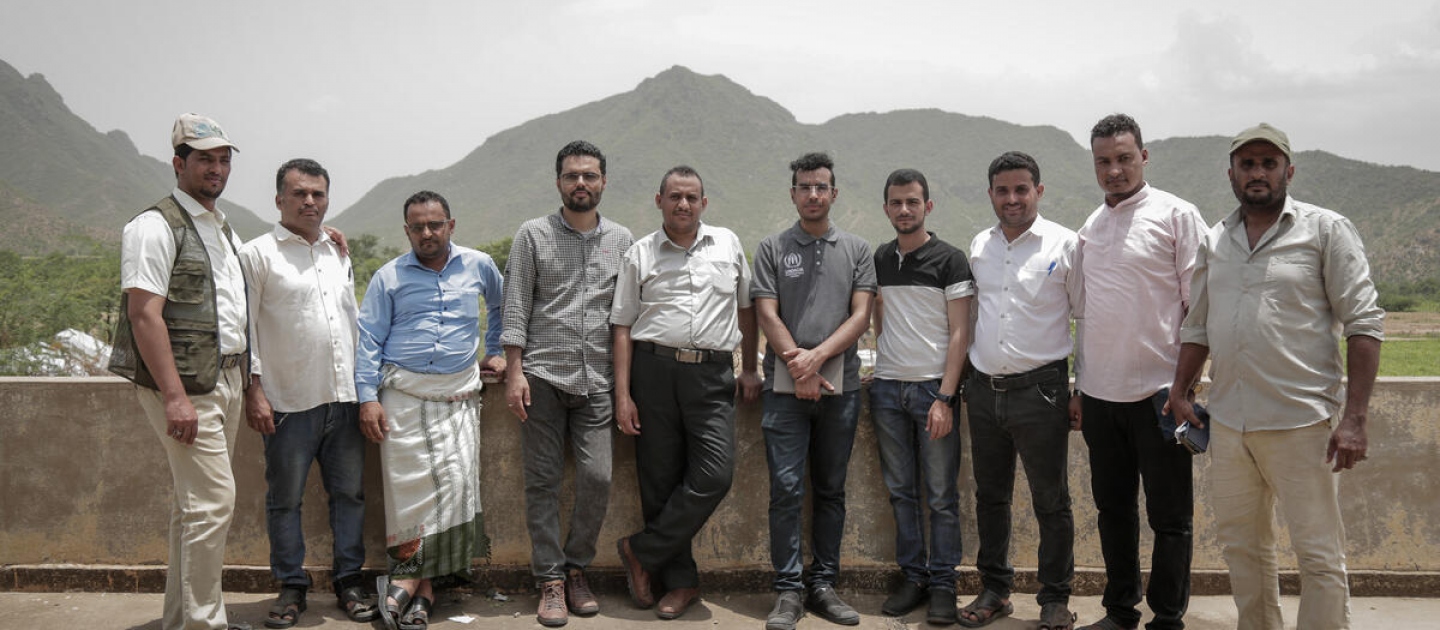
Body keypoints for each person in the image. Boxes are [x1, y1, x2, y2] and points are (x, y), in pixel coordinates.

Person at [1168, 123, 1384, 630]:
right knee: (1244, 548)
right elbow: (1197, 323)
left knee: (1318, 555)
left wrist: (1354, 419)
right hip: (1229, 422)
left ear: (1289, 170)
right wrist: (1180, 389)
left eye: (1268, 163)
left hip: (1301, 423)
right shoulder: (1216, 238)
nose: (1258, 173)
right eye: (1248, 164)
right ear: (1232, 174)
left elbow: (1365, 323)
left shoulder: (1325, 229)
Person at [109, 113, 252, 630]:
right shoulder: (154, 225)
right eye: (204, 159)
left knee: (193, 508)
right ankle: (203, 624)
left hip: (225, 380)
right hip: (188, 387)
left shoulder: (220, 227)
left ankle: (182, 620)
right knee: (213, 505)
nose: (216, 169)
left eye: (222, 159)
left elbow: (235, 307)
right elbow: (144, 313)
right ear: (179, 163)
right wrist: (174, 396)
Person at [611, 166, 763, 619]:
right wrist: (623, 394)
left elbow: (747, 310)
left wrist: (751, 367)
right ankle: (680, 584)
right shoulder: (639, 252)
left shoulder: (728, 244)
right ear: (658, 200)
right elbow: (621, 327)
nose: (683, 204)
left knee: (715, 475)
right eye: (675, 196)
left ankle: (640, 550)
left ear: (704, 203)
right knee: (658, 482)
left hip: (712, 375)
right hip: (653, 372)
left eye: (692, 197)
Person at [1072, 114, 1205, 630]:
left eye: (1124, 158)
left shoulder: (1176, 215)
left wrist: (1185, 387)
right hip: (1102, 399)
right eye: (1104, 161)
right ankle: (1119, 611)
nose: (1114, 170)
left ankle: (1167, 617)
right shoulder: (1091, 227)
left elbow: (1199, 312)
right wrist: (1080, 386)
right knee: (1114, 512)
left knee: (1170, 519)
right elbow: (1087, 316)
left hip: (1161, 397)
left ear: (1143, 157)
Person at [356, 190, 505, 630]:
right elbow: (367, 342)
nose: (427, 233)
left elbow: (501, 306)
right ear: (407, 231)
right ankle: (422, 591)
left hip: (458, 396)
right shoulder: (388, 277)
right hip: (402, 395)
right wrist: (366, 398)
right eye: (417, 226)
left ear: (451, 226)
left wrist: (494, 350)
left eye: (434, 224)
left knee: (453, 489)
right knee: (408, 496)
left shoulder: (479, 265)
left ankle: (409, 583)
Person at [501, 141, 633, 627]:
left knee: (597, 478)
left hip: (597, 382)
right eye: (573, 175)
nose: (582, 183)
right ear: (558, 181)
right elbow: (515, 305)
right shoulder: (532, 235)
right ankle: (551, 582)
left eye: (590, 175)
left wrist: (624, 388)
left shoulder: (622, 240)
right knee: (542, 483)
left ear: (603, 182)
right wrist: (514, 372)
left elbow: (626, 319)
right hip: (542, 377)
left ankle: (578, 567)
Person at [238, 159, 373, 628]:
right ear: (279, 200)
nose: (309, 201)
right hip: (288, 402)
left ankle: (349, 581)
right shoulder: (257, 255)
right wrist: (254, 390)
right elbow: (247, 328)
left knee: (349, 495)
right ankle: (292, 586)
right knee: (285, 499)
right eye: (299, 194)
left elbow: (349, 322)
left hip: (344, 397)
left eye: (317, 193)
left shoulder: (338, 251)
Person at [753, 152, 877, 630]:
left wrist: (816, 358)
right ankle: (787, 591)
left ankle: (823, 585)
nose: (812, 194)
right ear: (793, 193)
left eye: (821, 187)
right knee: (785, 490)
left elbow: (861, 315)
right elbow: (767, 313)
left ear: (834, 193)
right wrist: (797, 366)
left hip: (841, 386)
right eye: (804, 187)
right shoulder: (771, 247)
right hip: (782, 387)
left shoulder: (857, 249)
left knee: (830, 489)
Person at [962, 152, 1080, 630]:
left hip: (1043, 392)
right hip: (984, 390)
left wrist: (1081, 387)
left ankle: (1054, 598)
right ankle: (994, 590)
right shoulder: (979, 246)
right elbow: (971, 317)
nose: (1012, 199)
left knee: (1050, 499)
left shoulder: (1066, 244)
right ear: (991, 193)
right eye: (1003, 191)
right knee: (991, 497)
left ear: (1038, 191)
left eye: (1021, 190)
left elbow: (1086, 319)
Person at [867, 168, 973, 624]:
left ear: (927, 206)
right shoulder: (880, 258)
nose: (904, 210)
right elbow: (879, 316)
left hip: (934, 390)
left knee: (940, 495)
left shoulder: (950, 260)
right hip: (887, 389)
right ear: (886, 207)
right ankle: (914, 577)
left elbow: (960, 334)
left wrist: (945, 398)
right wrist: (882, 365)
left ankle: (944, 583)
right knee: (900, 492)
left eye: (913, 202)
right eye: (896, 202)